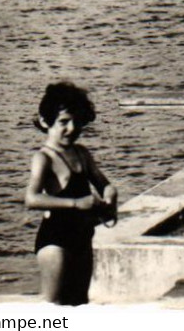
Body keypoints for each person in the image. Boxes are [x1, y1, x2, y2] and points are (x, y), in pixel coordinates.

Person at [25, 82, 117, 305]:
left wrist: (110, 197)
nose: (71, 128)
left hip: (82, 237)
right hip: (55, 241)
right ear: (46, 121)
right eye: (63, 122)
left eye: (77, 121)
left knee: (79, 302)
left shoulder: (82, 154)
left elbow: (104, 184)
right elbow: (32, 198)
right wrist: (76, 203)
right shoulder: (44, 158)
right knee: (55, 306)